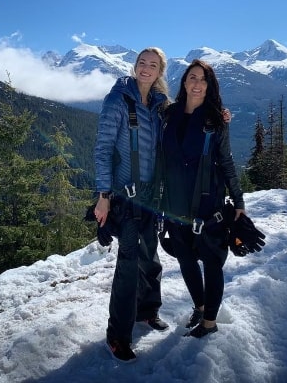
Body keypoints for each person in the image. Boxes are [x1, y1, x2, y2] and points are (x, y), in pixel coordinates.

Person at [157, 58, 245, 338]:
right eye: (192, 77)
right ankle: (200, 306)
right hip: (175, 204)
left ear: (210, 86)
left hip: (208, 204)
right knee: (184, 258)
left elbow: (227, 162)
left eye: (203, 79)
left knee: (211, 261)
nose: (197, 83)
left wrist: (239, 200)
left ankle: (209, 322)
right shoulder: (169, 115)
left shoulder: (215, 119)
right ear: (184, 82)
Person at [93, 47, 171, 363]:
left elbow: (186, 122)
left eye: (153, 65)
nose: (146, 68)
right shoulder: (118, 101)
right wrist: (103, 196)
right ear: (135, 65)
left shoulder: (158, 105)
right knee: (127, 268)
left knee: (150, 258)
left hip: (152, 198)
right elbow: (101, 150)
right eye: (142, 63)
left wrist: (218, 115)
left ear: (160, 71)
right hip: (125, 199)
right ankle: (117, 337)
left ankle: (147, 311)